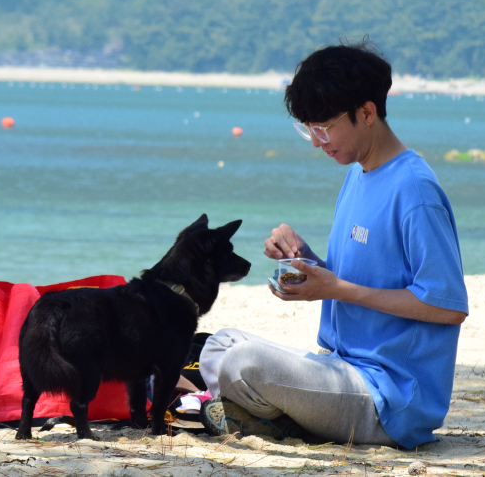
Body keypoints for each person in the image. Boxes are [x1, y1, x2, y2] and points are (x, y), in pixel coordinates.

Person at [199, 42, 468, 448]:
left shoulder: (414, 191)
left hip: (389, 398)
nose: (314, 141)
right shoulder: (359, 173)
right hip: (340, 369)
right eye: (307, 128)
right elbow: (359, 279)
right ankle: (281, 419)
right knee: (219, 345)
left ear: (366, 112)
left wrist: (334, 289)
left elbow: (448, 307)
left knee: (242, 363)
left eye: (322, 127)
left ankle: (279, 420)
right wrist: (306, 262)